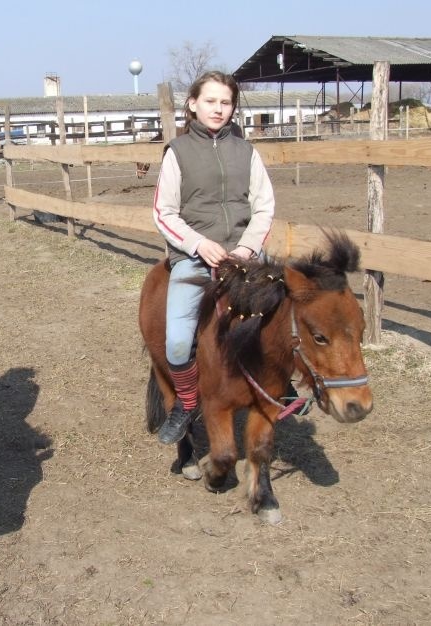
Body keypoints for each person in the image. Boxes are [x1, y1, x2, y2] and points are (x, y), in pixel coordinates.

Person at [151, 70, 278, 445]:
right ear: (192, 104)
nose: (218, 109)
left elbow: (264, 207)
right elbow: (164, 212)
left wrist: (247, 249)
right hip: (195, 258)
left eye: (226, 102)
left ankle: (278, 386)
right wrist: (198, 245)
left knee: (281, 323)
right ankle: (187, 402)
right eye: (210, 101)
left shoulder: (247, 152)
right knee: (176, 340)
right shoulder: (178, 153)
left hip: (245, 256)